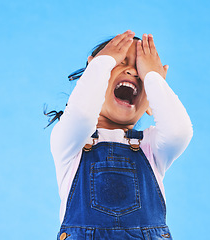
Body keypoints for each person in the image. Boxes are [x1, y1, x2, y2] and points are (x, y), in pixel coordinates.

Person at [48, 30, 193, 239]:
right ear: (93, 76)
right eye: (121, 61)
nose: (134, 72)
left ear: (152, 100)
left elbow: (179, 131)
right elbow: (81, 114)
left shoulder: (151, 147)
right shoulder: (71, 141)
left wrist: (153, 78)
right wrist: (102, 63)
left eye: (141, 70)